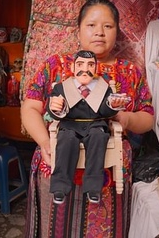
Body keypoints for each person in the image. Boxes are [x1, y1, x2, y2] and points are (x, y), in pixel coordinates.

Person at [21, 0, 154, 238]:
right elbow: (30, 107)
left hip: (109, 167)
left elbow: (147, 117)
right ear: (79, 30)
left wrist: (125, 119)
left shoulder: (130, 72)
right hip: (56, 155)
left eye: (108, 26)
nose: (100, 33)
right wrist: (44, 142)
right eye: (91, 25)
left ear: (117, 31)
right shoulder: (55, 65)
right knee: (55, 228)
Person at [47, 50, 129, 204]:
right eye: (80, 64)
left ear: (95, 68)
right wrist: (56, 107)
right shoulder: (61, 88)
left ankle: (93, 188)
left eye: (90, 64)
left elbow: (105, 112)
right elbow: (53, 110)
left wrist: (113, 105)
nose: (85, 69)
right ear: (72, 67)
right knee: (66, 139)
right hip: (70, 125)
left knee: (99, 137)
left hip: (95, 124)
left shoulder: (103, 88)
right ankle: (60, 187)